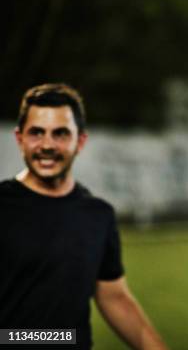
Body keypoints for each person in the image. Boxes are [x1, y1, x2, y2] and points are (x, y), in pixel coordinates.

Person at [0, 84, 167, 349]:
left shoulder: (98, 215)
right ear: (19, 138)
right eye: (36, 133)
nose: (47, 145)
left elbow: (114, 298)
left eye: (60, 134)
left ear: (81, 141)